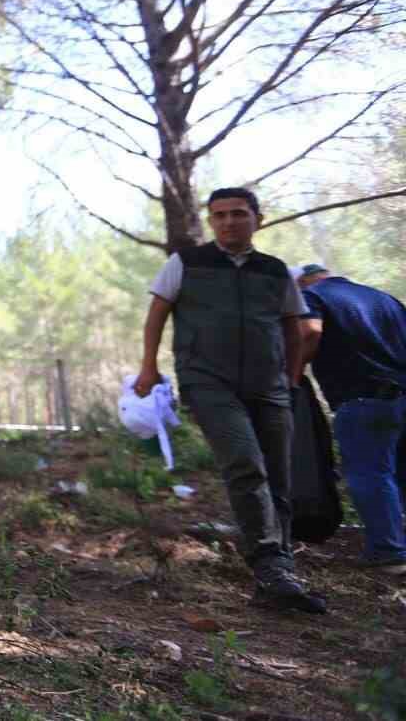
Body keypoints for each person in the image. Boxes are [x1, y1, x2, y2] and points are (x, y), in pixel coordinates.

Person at [135, 187, 324, 614]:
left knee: (278, 476)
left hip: (269, 387)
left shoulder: (275, 272)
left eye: (238, 214)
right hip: (208, 383)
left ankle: (281, 568)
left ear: (257, 217)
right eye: (218, 215)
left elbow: (293, 327)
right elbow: (156, 314)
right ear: (211, 221)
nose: (228, 222)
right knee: (245, 462)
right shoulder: (187, 263)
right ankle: (269, 566)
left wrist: (292, 378)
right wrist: (149, 367)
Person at [294, 264, 406, 574]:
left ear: (300, 284)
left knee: (369, 473)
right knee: (400, 472)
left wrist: (291, 373)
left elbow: (310, 332)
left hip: (363, 398)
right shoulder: (382, 298)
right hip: (401, 392)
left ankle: (389, 553)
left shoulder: (312, 297)